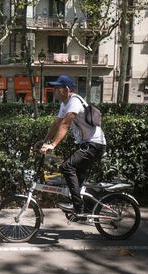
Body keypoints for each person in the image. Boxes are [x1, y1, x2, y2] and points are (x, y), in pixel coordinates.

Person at [35, 75, 106, 213]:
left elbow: (66, 124)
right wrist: (45, 141)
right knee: (77, 176)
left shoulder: (74, 101)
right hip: (87, 144)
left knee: (67, 167)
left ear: (66, 89)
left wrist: (53, 144)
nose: (54, 91)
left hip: (94, 144)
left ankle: (78, 207)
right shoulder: (64, 103)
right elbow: (57, 123)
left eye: (57, 88)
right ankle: (87, 208)